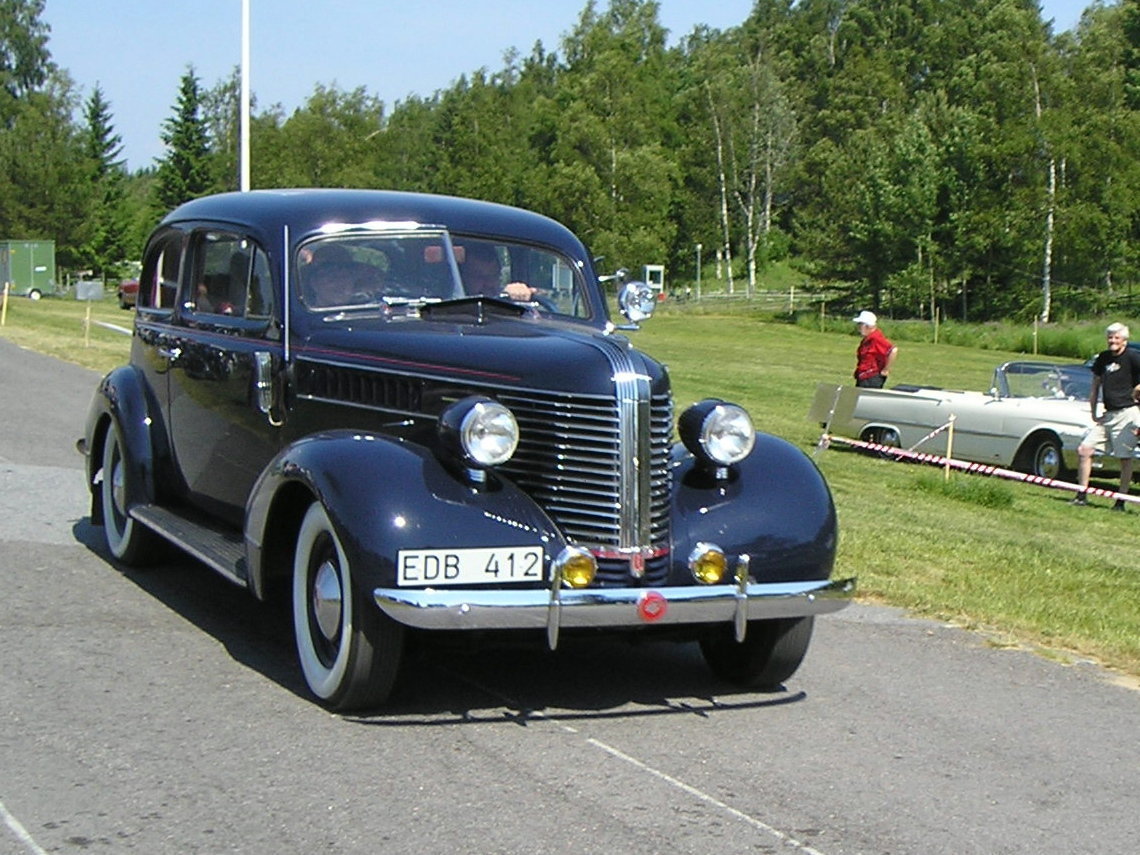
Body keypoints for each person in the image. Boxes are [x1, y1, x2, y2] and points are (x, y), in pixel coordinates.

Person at [1070, 322, 1140, 509]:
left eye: (1116, 337)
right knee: (1085, 450)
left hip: (1127, 414)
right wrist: (1093, 412)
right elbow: (1095, 386)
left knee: (1124, 458)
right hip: (1107, 414)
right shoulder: (1103, 358)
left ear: (1124, 340)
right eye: (1110, 337)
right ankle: (1081, 494)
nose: (1112, 341)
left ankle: (1120, 501)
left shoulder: (1133, 358)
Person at [460, 243, 536, 301]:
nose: (488, 284)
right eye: (479, 277)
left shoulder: (506, 297)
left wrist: (519, 298)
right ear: (464, 277)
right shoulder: (451, 306)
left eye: (493, 276)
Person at [852, 310, 898, 388]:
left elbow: (893, 350)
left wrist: (885, 370)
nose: (858, 327)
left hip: (871, 378)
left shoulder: (876, 339)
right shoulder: (868, 339)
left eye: (860, 324)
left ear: (867, 326)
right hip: (864, 377)